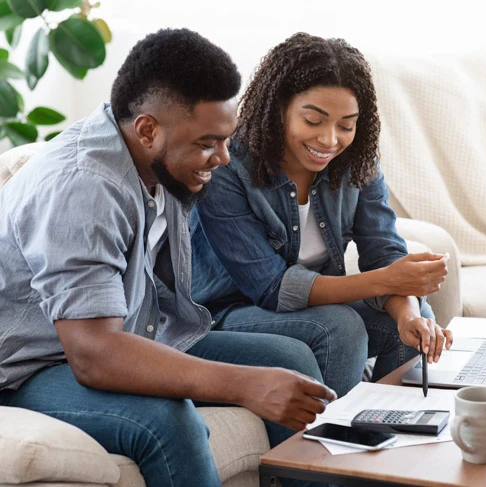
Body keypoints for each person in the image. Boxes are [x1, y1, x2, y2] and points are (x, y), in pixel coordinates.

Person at [0, 28, 335, 487]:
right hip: (29, 369)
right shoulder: (84, 187)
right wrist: (244, 384)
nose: (221, 158)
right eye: (206, 143)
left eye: (225, 140)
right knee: (166, 419)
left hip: (129, 331)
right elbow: (94, 353)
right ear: (148, 129)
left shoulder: (162, 164)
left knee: (291, 359)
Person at [191, 32, 453, 398]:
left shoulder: (356, 164)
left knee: (412, 319)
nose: (330, 140)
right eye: (314, 121)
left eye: (346, 125)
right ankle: (332, 448)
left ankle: (391, 432)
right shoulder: (229, 166)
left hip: (303, 310)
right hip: (227, 313)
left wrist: (409, 312)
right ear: (279, 106)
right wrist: (387, 280)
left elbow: (383, 251)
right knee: (340, 328)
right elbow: (271, 288)